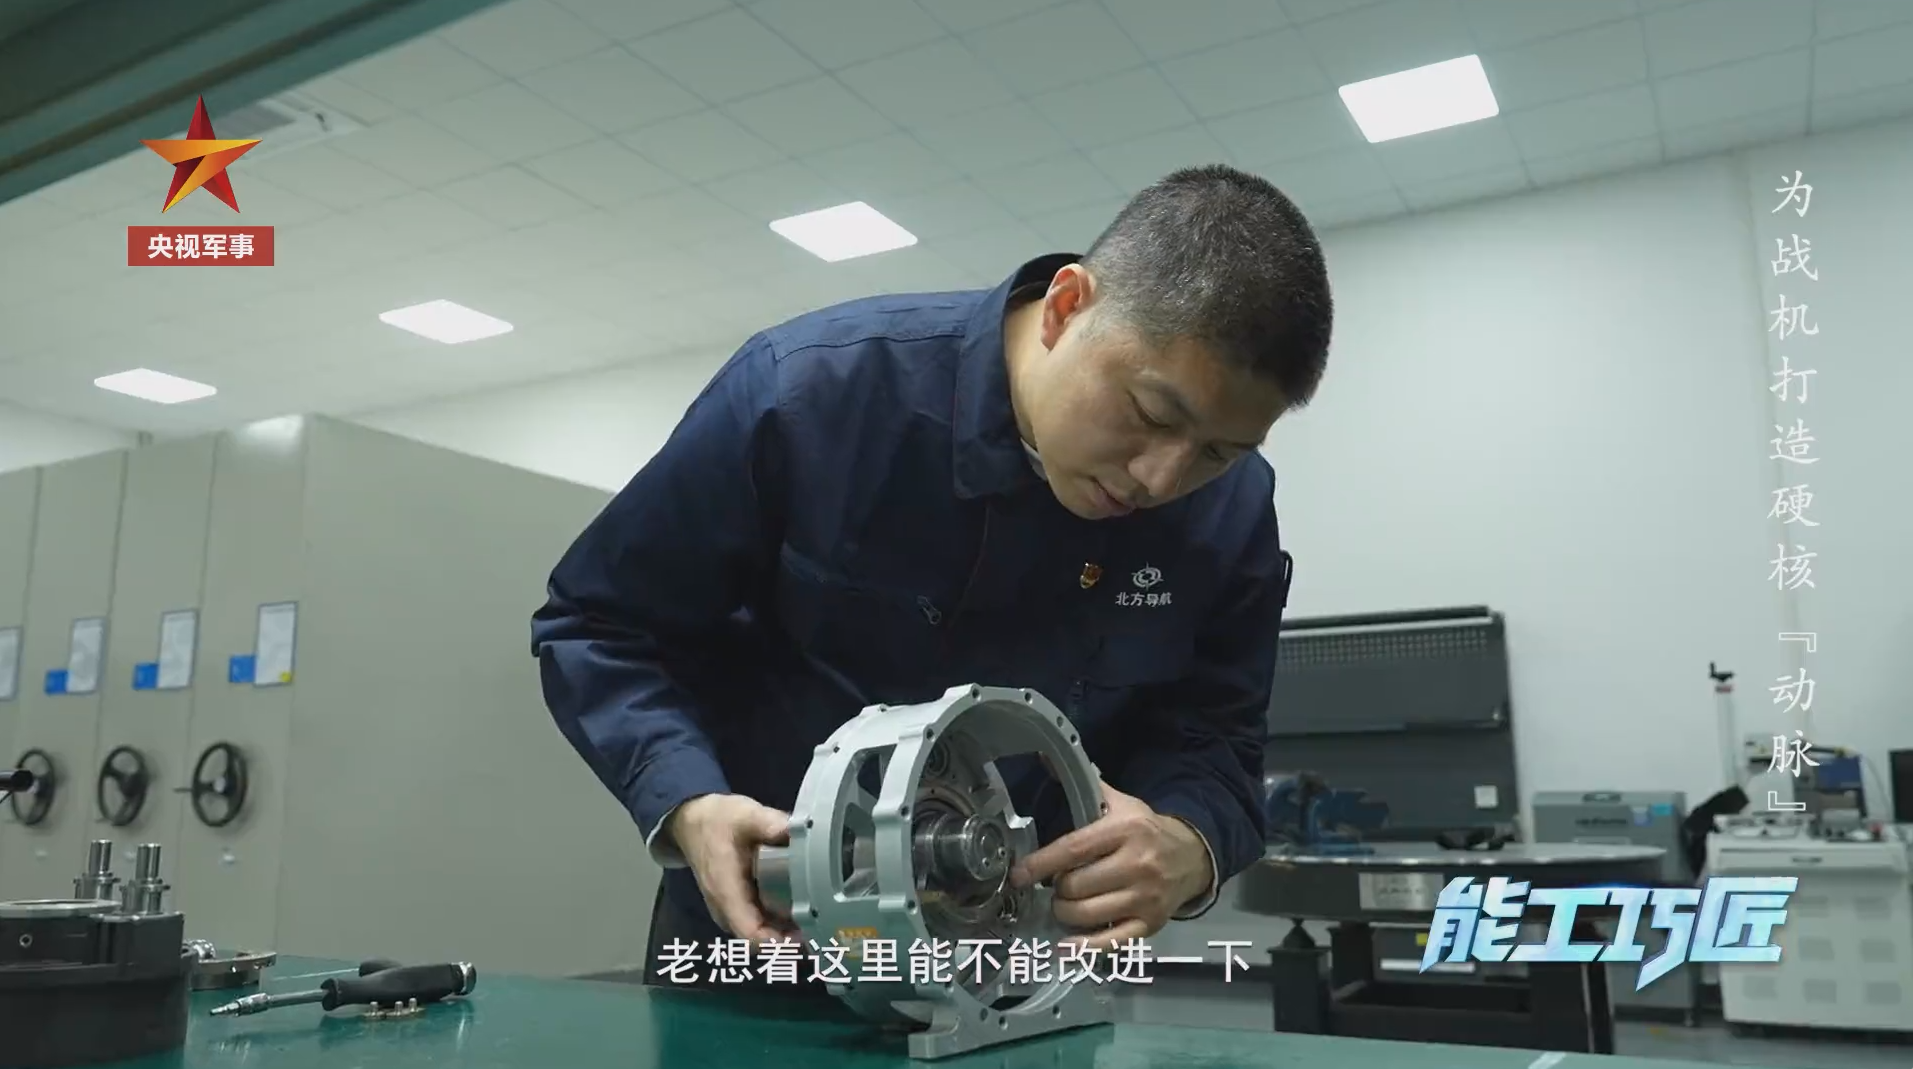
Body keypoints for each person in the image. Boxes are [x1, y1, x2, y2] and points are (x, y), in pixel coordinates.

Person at [531, 163, 1332, 996]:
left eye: (1217, 452)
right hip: (766, 944)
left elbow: (1216, 737)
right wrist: (688, 802)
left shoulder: (1229, 512)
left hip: (1014, 979)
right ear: (1065, 306)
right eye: (1152, 414)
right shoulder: (809, 397)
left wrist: (1189, 846)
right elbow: (600, 624)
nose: (1161, 478)